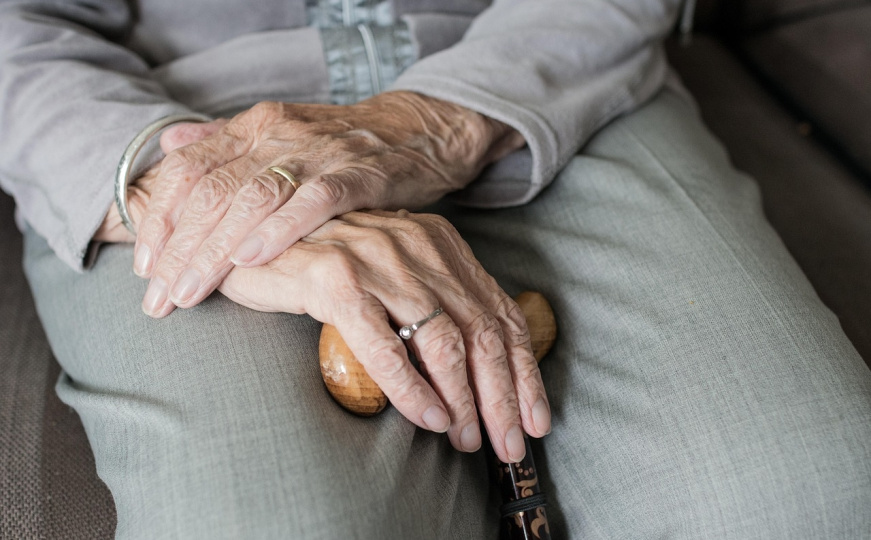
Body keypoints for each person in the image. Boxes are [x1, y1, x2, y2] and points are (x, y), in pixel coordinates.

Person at [2, 0, 870, 538]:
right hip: (165, 121)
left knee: (809, 498)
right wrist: (193, 193)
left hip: (547, 74)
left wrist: (432, 121)